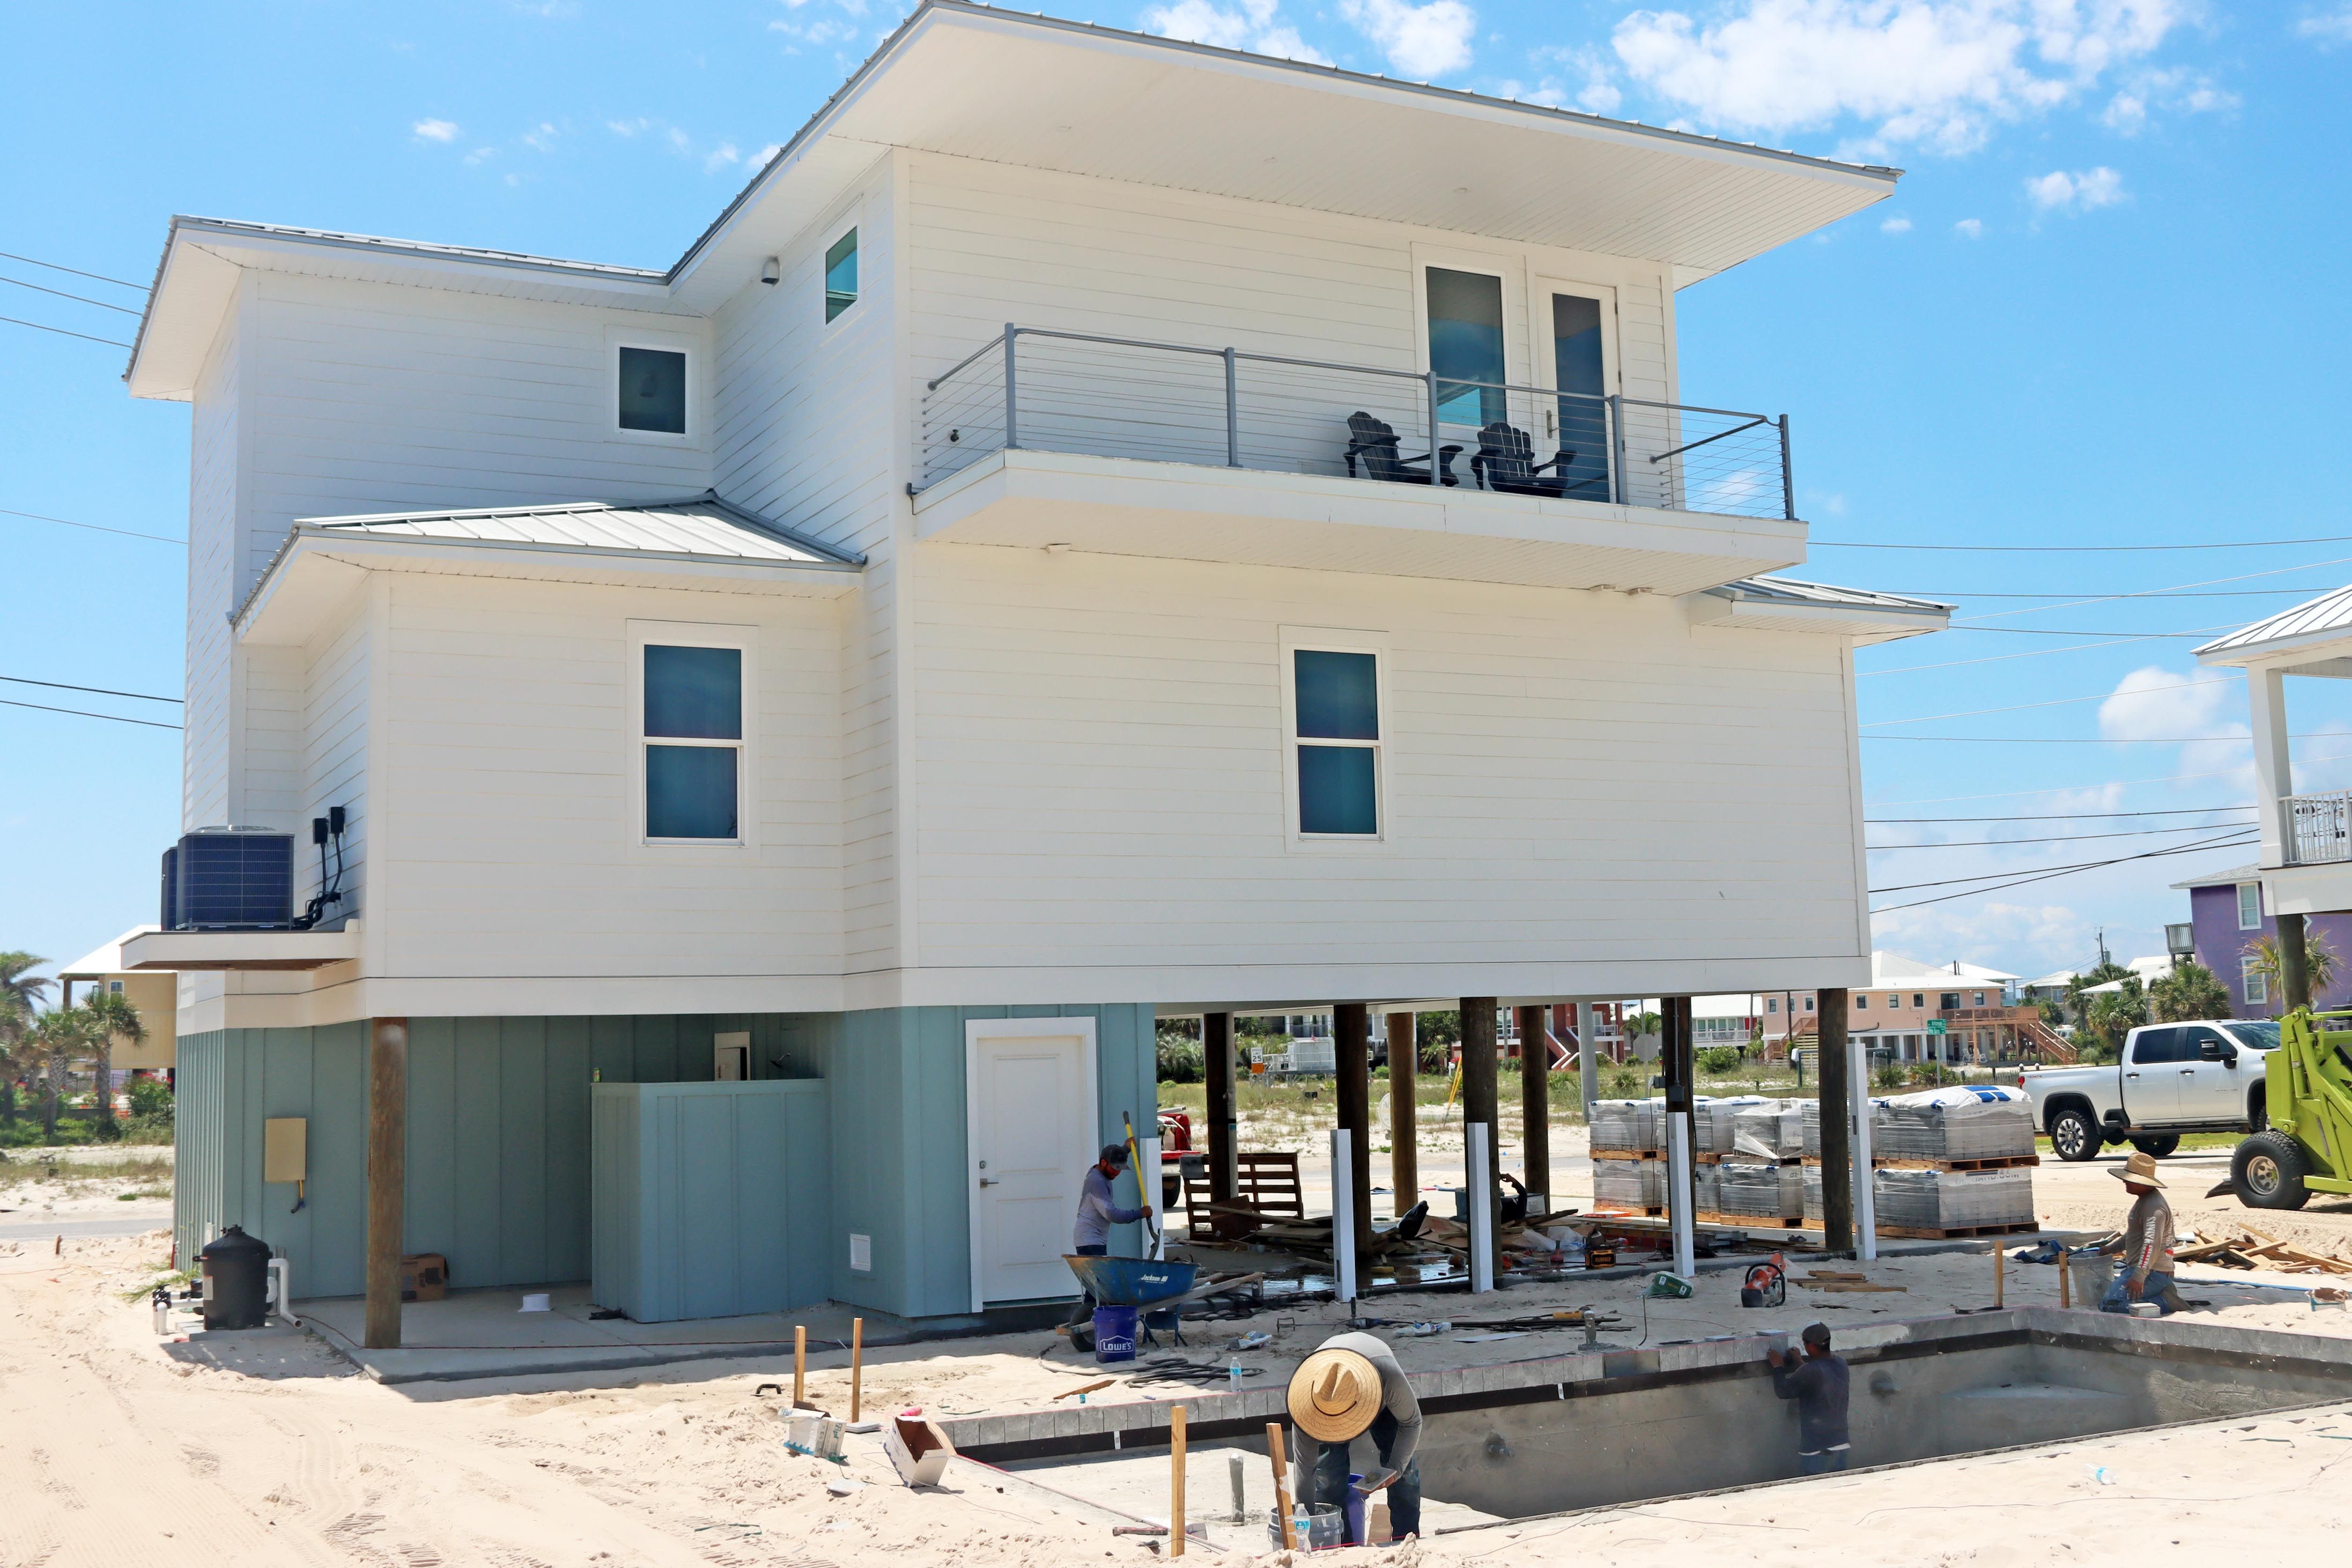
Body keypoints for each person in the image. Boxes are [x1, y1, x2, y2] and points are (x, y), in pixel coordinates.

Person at [1286, 1333, 1423, 1543]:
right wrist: (1307, 1521)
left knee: (1406, 1474)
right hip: (1326, 1404)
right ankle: (1343, 1545)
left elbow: (1413, 1422)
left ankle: (1406, 1538)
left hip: (1378, 1395)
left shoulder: (1387, 1375)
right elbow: (1306, 1470)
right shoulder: (1307, 1405)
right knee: (1328, 1479)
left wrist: (1396, 1468)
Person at [1066, 1144, 1155, 1333]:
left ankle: (1089, 1331)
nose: (1117, 1173)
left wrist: (1126, 1148)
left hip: (1093, 1239)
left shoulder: (1099, 1171)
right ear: (1104, 1163)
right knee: (1098, 1289)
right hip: (1090, 1241)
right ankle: (1092, 1330)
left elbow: (1112, 1157)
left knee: (1095, 1289)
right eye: (1115, 1168)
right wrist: (1139, 1213)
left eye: (1121, 1169)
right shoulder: (1096, 1182)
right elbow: (1111, 1214)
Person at [2100, 1148, 2184, 1315]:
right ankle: (2160, 1295)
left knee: (2110, 1304)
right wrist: (2108, 1249)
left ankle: (2166, 1301)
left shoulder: (2154, 1207)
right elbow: (2133, 1236)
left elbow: (2151, 1244)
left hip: (2154, 1272)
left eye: (2129, 1180)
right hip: (2145, 1269)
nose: (2125, 1182)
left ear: (2143, 1183)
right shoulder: (2144, 1201)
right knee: (2113, 1299)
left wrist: (2139, 1276)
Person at [1767, 1322, 1851, 1475]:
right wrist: (1800, 1362)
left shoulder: (1809, 1371)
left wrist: (1778, 1367)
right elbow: (1820, 1376)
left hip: (1817, 1449)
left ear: (1811, 1347)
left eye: (1805, 1343)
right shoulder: (1841, 1364)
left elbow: (1783, 1391)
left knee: (1815, 1494)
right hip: (1841, 1445)